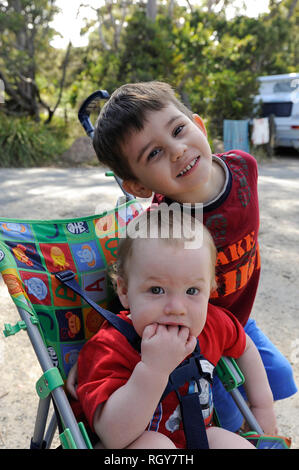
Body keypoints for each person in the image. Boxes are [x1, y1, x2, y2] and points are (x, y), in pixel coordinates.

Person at [88, 80, 297, 432]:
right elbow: (139, 284)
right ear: (138, 186)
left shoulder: (244, 167)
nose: (176, 150)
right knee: (227, 415)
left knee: (276, 374)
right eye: (153, 153)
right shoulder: (164, 227)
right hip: (197, 333)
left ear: (198, 125)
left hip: (240, 320)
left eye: (179, 129)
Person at [75, 208, 276, 449]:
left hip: (195, 436)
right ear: (125, 292)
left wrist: (262, 405)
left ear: (209, 290)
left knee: (233, 443)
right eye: (156, 290)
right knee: (155, 444)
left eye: (192, 291)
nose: (176, 308)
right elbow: (113, 437)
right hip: (130, 446)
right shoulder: (109, 347)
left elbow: (243, 345)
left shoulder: (210, 324)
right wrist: (153, 369)